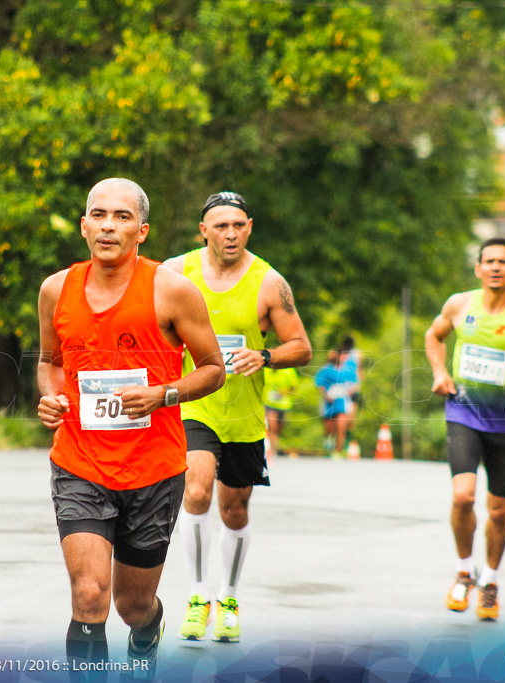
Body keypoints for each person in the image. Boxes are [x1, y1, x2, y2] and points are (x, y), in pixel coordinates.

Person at [37, 178, 226, 680]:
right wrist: (52, 398)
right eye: (99, 215)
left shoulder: (171, 289)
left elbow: (213, 369)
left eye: (122, 217)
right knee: (90, 594)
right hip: (80, 463)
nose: (108, 225)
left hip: (153, 471)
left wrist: (162, 394)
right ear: (84, 226)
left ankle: (148, 634)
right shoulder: (55, 289)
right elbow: (49, 361)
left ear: (141, 231)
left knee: (131, 606)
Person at [162, 191, 312, 643]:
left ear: (250, 227)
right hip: (194, 404)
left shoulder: (269, 282)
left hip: (243, 414)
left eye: (239, 225)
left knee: (235, 507)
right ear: (202, 230)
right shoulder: (174, 272)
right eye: (221, 225)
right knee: (196, 486)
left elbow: (301, 347)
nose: (230, 233)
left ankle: (227, 597)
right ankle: (197, 596)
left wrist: (264, 356)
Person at [424, 237, 505, 622]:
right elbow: (434, 335)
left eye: (504, 262)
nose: (496, 267)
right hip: (463, 413)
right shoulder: (459, 304)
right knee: (463, 496)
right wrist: (439, 371)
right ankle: (464, 571)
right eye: (489, 261)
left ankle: (491, 580)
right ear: (479, 268)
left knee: (499, 510)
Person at [315, 348, 352, 457]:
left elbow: (353, 384)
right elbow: (320, 384)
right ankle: (328, 441)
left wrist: (349, 391)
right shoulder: (327, 369)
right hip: (329, 402)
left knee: (341, 427)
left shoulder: (347, 370)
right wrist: (326, 395)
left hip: (342, 402)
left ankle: (338, 451)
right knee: (330, 427)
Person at [263, 366, 300, 458]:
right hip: (269, 404)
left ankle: (275, 445)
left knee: (279, 429)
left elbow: (293, 386)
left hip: (283, 405)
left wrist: (282, 393)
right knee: (272, 427)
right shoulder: (265, 370)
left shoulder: (288, 370)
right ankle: (273, 450)